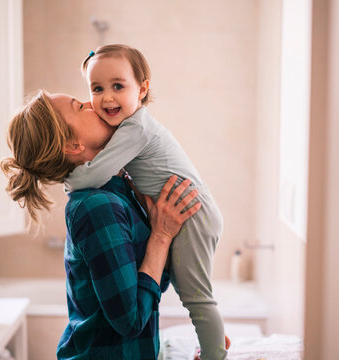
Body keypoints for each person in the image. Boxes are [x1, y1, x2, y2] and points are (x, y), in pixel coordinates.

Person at [0, 91, 201, 359]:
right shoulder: (96, 206)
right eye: (80, 106)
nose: (92, 103)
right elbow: (130, 322)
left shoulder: (117, 187)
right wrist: (161, 236)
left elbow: (150, 283)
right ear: (72, 145)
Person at [64, 44, 228, 359]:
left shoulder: (135, 128)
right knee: (190, 291)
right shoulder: (127, 128)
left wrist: (67, 181)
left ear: (142, 89)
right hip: (190, 209)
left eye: (118, 86)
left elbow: (93, 174)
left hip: (193, 210)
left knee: (197, 297)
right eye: (96, 88)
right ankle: (214, 340)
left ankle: (214, 353)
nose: (106, 97)